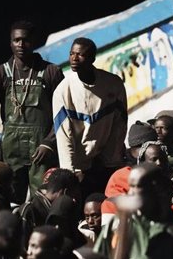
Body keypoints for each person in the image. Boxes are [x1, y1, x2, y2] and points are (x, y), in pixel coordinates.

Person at [0, 20, 64, 202]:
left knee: (43, 199)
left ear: (34, 41)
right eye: (16, 40)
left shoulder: (51, 72)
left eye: (25, 40)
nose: (21, 44)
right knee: (10, 199)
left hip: (41, 149)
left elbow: (64, 113)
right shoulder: (1, 73)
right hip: (12, 151)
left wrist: (49, 143)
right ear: (10, 43)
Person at [53, 37, 128, 198]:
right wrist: (71, 173)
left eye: (80, 55)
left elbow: (119, 126)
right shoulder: (63, 91)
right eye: (71, 53)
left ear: (92, 58)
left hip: (106, 163)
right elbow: (64, 137)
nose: (74, 58)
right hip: (80, 168)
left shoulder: (113, 84)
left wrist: (113, 160)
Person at [100, 121, 158, 217]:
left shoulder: (164, 169)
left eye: (153, 145)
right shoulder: (120, 176)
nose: (147, 151)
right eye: (141, 146)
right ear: (132, 149)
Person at [17, 168, 80, 241]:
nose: (74, 200)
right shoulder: (29, 211)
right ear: (65, 192)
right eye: (73, 196)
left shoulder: (61, 212)